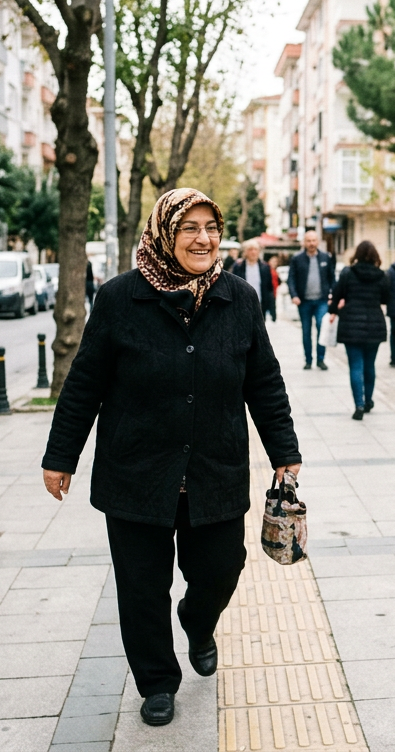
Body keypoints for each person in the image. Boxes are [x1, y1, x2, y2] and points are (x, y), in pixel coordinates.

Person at [40, 189, 302, 728]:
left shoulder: (239, 299)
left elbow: (264, 381)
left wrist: (284, 451)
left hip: (216, 469)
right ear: (164, 233)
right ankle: (157, 682)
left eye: (211, 226)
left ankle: (198, 621)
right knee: (140, 589)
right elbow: (84, 382)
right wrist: (60, 455)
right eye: (189, 228)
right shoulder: (119, 299)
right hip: (136, 473)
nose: (203, 238)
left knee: (222, 569)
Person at [330, 241, 390, 420]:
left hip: (351, 324)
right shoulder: (381, 275)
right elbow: (386, 298)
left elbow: (337, 293)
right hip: (374, 323)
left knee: (355, 365)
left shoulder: (348, 273)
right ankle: (369, 400)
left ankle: (359, 404)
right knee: (369, 365)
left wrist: (333, 310)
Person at [288, 230, 336, 370]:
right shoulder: (297, 258)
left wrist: (332, 295)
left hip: (322, 301)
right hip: (304, 301)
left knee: (322, 327)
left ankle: (321, 359)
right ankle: (308, 360)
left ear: (318, 242)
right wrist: (294, 295)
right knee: (306, 331)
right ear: (304, 242)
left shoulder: (326, 257)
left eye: (313, 240)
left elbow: (332, 279)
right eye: (308, 241)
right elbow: (291, 278)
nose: (311, 243)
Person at [229, 240, 276, 320]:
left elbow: (269, 289)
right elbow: (233, 287)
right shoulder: (238, 267)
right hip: (243, 304)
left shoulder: (265, 267)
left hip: (260, 304)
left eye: (255, 249)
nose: (253, 252)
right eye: (250, 249)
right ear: (245, 252)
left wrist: (272, 310)